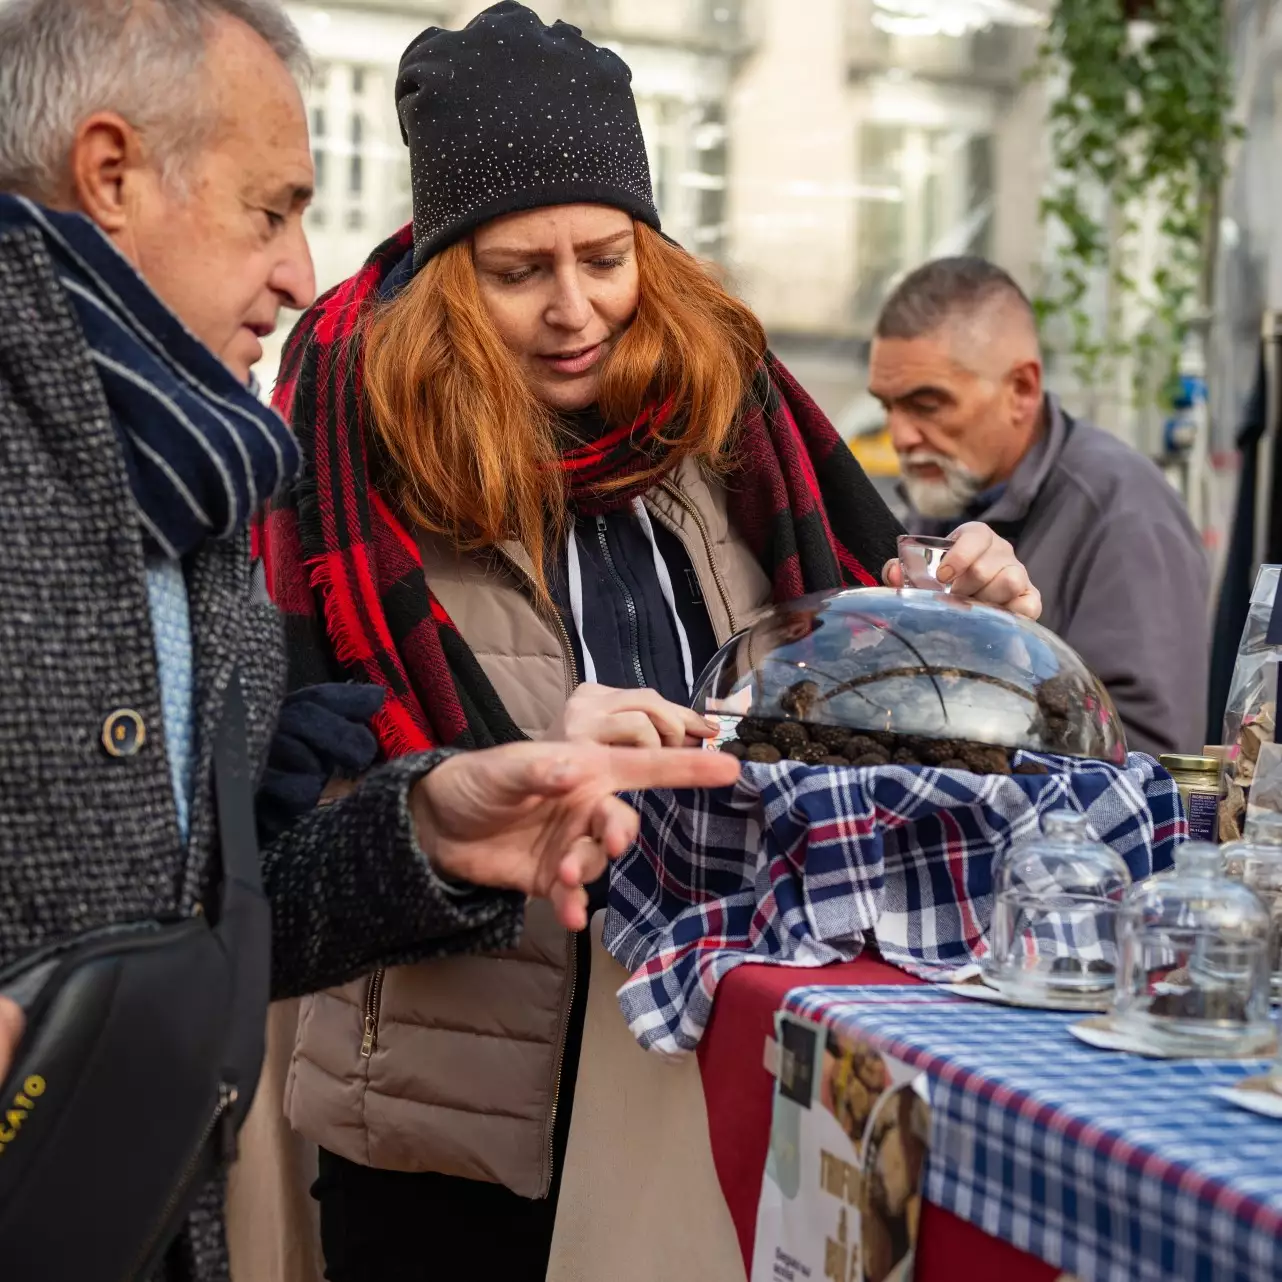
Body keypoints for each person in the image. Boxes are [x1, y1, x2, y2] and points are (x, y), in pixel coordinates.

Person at [262, 6, 1042, 1279]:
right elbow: (279, 824)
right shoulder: (348, 462)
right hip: (460, 1127)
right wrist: (527, 763)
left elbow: (844, 692)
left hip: (708, 1076)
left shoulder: (733, 436)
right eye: (521, 271)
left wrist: (959, 632)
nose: (576, 309)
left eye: (606, 258)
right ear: (452, 274)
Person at [0, 2, 740, 1279]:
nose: (302, 273)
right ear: (111, 174)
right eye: (270, 208)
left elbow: (211, 924)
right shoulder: (301, 468)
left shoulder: (203, 494)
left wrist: (430, 832)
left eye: (603, 257)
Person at [875, 256, 1210, 758]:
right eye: (888, 405)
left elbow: (1150, 753)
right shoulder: (945, 495)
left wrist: (1000, 657)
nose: (900, 435)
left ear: (1022, 390)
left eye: (928, 404)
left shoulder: (1125, 510)